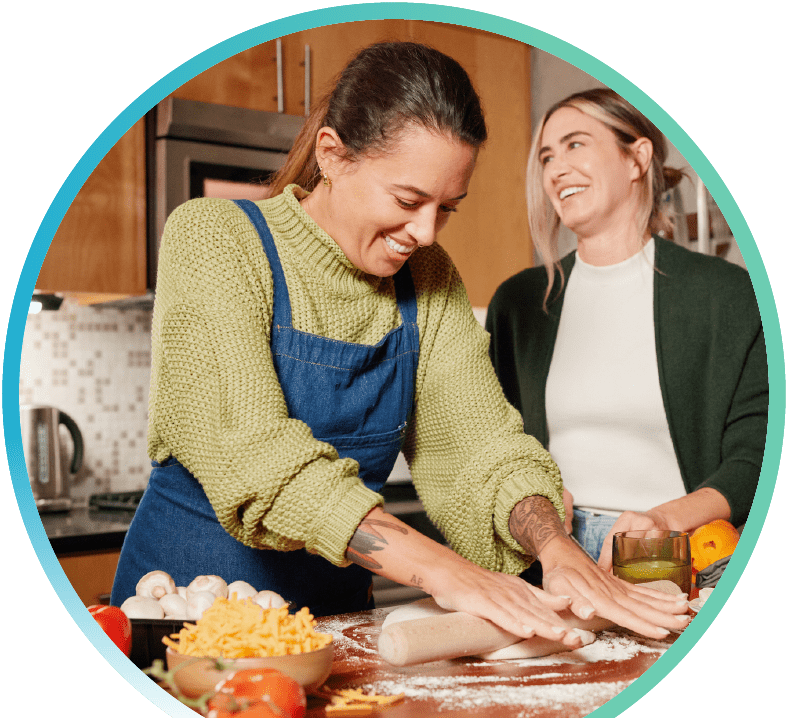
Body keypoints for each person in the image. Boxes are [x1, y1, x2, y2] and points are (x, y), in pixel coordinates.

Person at [112, 46, 688, 642]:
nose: (425, 233)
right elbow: (257, 461)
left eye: (447, 209)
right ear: (332, 155)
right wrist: (443, 570)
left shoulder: (428, 277)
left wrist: (555, 547)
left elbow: (479, 447)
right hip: (183, 617)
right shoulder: (215, 238)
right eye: (409, 201)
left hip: (331, 625)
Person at [486, 88, 767, 573]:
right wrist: (535, 510)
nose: (554, 169)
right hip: (549, 556)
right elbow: (493, 445)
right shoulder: (518, 303)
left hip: (683, 554)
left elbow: (759, 452)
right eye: (547, 156)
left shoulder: (727, 294)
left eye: (575, 145)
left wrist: (664, 518)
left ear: (637, 158)